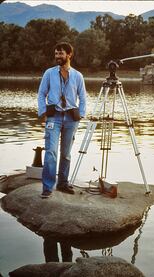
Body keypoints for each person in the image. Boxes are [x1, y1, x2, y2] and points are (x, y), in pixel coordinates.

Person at [38, 42, 87, 198]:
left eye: (61, 53)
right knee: (51, 152)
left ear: (69, 55)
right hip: (54, 116)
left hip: (71, 118)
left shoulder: (78, 76)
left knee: (66, 154)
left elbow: (83, 97)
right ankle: (47, 187)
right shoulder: (49, 73)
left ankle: (63, 183)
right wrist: (43, 113)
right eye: (56, 53)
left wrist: (82, 115)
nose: (58, 56)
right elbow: (41, 94)